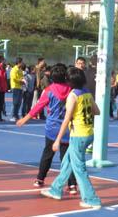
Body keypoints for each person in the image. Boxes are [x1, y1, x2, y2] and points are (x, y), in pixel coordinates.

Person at [42, 67, 102, 209]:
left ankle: (91, 199)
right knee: (68, 162)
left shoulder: (73, 96)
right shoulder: (87, 93)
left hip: (78, 135)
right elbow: (97, 111)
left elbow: (66, 119)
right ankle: (56, 189)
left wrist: (57, 140)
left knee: (79, 169)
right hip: (88, 133)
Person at [17, 63, 77, 192]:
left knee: (47, 154)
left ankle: (40, 178)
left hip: (52, 128)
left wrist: (24, 119)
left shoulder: (49, 90)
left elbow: (38, 106)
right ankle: (72, 184)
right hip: (67, 128)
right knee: (67, 157)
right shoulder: (72, 90)